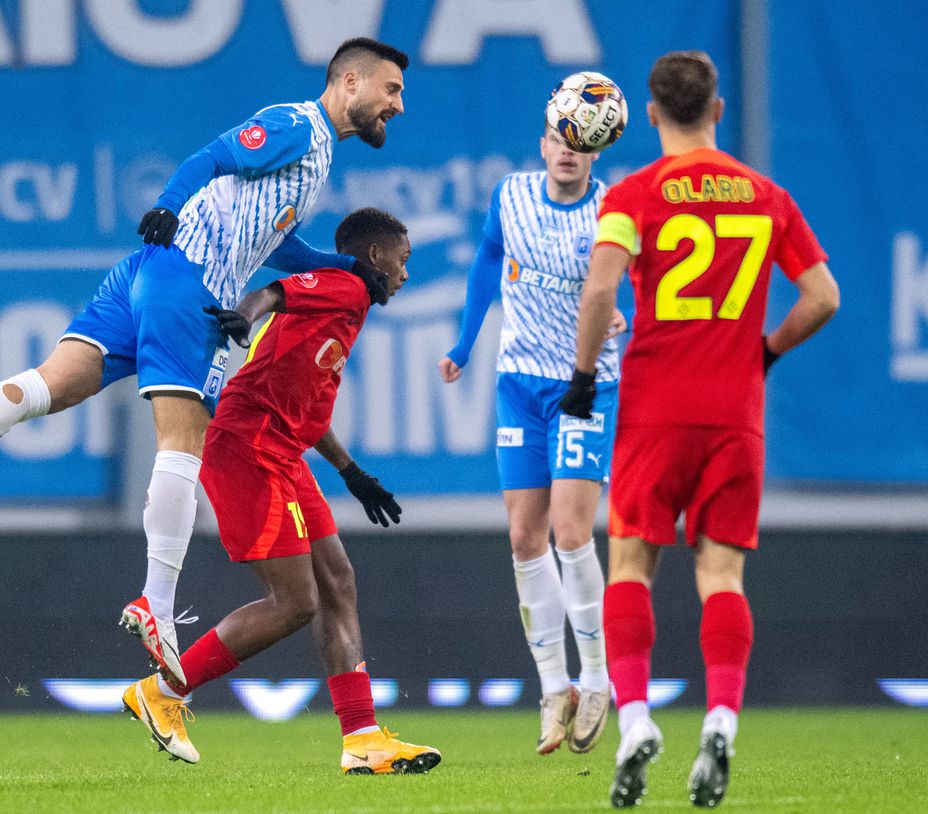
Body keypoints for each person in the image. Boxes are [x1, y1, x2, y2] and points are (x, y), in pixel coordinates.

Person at [0, 38, 409, 687]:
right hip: (188, 283)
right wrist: (168, 201)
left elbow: (278, 243)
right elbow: (215, 153)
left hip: (144, 277)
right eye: (390, 90)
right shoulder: (299, 126)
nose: (397, 104)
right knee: (182, 439)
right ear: (350, 81)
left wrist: (344, 267)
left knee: (54, 383)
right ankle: (156, 605)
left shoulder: (315, 157)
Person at [560, 51, 839, 808]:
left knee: (630, 567)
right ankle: (720, 719)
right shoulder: (766, 194)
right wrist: (767, 352)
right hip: (735, 413)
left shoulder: (636, 195)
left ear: (649, 115)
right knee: (720, 575)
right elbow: (823, 295)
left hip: (656, 406)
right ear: (718, 110)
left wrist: (584, 379)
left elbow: (601, 287)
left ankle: (638, 720)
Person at [122, 208, 439, 775]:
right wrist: (242, 315)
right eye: (404, 261)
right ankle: (165, 691)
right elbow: (274, 291)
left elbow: (309, 412)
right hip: (246, 449)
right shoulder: (344, 287)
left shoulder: (350, 310)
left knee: (337, 579)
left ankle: (363, 739)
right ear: (374, 257)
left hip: (284, 453)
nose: (406, 274)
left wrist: (351, 473)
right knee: (297, 603)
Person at [438, 104, 627, 755]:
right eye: (558, 138)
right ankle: (554, 688)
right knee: (524, 536)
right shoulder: (512, 195)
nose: (568, 150)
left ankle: (597, 679)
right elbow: (488, 260)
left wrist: (622, 314)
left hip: (584, 384)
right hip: (518, 383)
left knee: (572, 532)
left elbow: (629, 282)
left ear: (597, 148)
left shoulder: (612, 210)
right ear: (543, 142)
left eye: (581, 142)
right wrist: (464, 345)